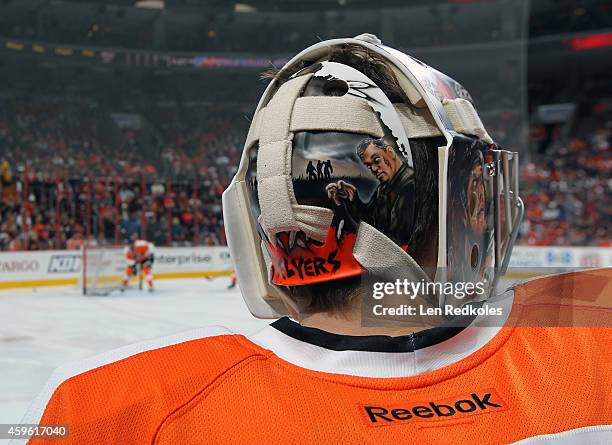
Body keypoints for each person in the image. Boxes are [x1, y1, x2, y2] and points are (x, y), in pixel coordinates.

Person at [16, 35, 611, 445]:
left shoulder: (107, 405)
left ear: (255, 209)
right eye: (474, 187)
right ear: (448, 203)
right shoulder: (593, 336)